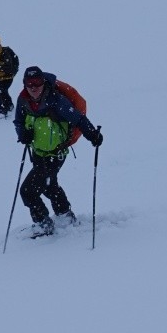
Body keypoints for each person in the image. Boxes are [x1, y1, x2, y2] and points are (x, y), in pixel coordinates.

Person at [13, 65, 103, 236]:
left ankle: (44, 224)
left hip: (56, 153)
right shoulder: (23, 100)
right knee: (49, 185)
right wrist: (23, 134)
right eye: (29, 83)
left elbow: (78, 119)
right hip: (38, 152)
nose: (33, 88)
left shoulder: (56, 99)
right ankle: (65, 216)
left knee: (28, 191)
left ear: (43, 82)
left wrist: (93, 135)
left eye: (37, 83)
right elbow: (18, 122)